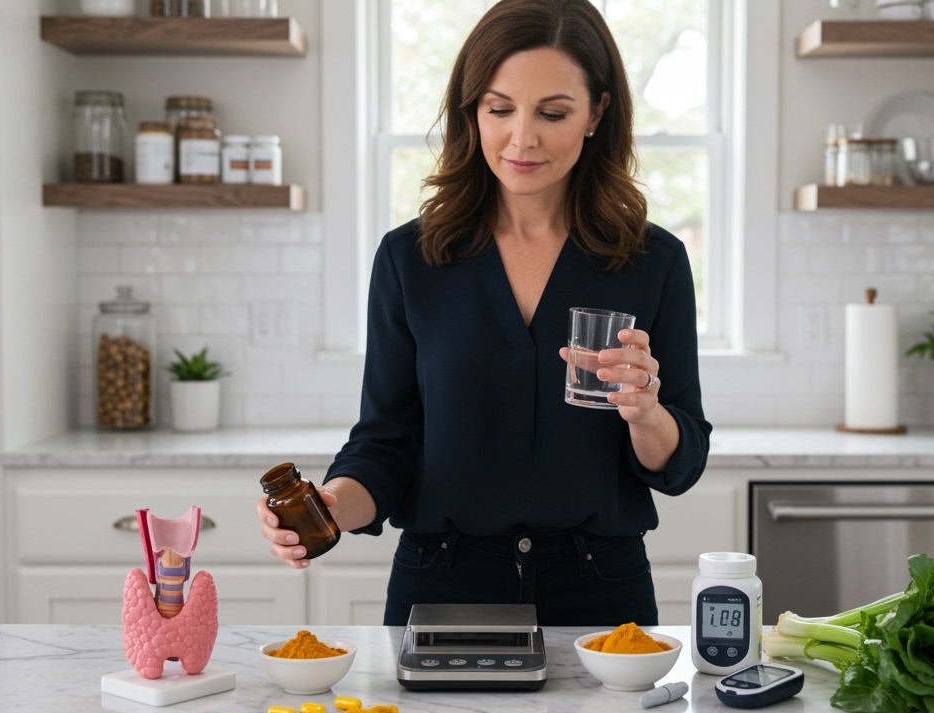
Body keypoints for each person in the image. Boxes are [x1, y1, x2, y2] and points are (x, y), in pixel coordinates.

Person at [255, 0, 711, 627]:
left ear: (597, 112)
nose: (521, 138)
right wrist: (332, 504)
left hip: (602, 589)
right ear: (471, 111)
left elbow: (682, 460)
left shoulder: (653, 260)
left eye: (552, 113)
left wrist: (646, 412)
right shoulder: (409, 259)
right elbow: (386, 443)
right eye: (499, 109)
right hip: (439, 584)